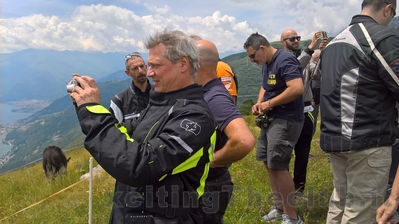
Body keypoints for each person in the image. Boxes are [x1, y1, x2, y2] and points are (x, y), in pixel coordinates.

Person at [69, 30, 218, 223]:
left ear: (183, 64)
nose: (148, 72)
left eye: (155, 65)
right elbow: (128, 143)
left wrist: (93, 113)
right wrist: (87, 107)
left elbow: (141, 165)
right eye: (149, 65)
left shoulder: (196, 117)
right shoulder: (160, 103)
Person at [319, 0, 399, 223]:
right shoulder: (380, 37)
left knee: (339, 204)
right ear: (387, 8)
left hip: (335, 138)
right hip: (368, 140)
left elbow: (318, 86)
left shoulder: (334, 42)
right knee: (360, 213)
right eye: (393, 14)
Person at [244, 33, 304, 224]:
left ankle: (292, 217)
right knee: (268, 162)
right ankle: (279, 208)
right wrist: (260, 102)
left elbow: (296, 88)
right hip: (270, 119)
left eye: (253, 56)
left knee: (278, 165)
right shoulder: (266, 63)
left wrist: (269, 104)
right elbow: (264, 87)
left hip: (286, 119)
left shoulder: (285, 59)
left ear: (262, 48)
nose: (252, 60)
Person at [193, 39, 255, 223]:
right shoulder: (205, 91)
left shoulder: (215, 96)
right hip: (206, 185)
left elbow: (244, 141)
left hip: (210, 184)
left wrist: (209, 161)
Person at [280, 29, 328, 197]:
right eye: (292, 38)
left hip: (306, 109)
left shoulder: (305, 58)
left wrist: (321, 54)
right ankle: (283, 192)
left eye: (297, 38)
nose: (295, 40)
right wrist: (312, 46)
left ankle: (299, 190)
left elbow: (316, 76)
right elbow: (296, 66)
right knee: (283, 153)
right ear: (282, 41)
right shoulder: (281, 60)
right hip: (287, 112)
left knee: (303, 152)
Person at [109, 52, 151, 123]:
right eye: (135, 68)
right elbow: (113, 130)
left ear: (146, 67)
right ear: (127, 73)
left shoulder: (161, 94)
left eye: (142, 66)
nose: (140, 71)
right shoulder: (119, 101)